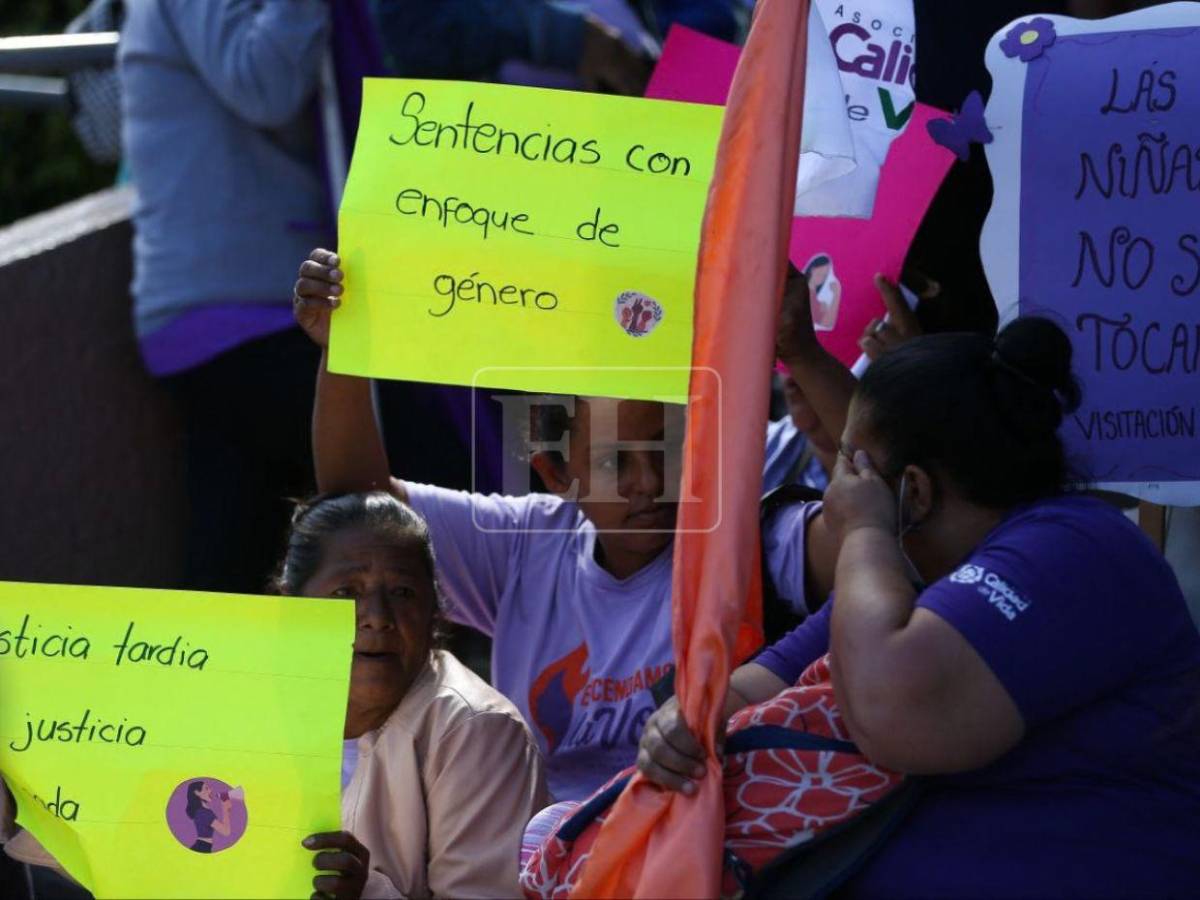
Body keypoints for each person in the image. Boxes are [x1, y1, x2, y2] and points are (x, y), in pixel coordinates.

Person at [638, 316, 1200, 896]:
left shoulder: (1077, 547)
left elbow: (894, 717)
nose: (837, 491)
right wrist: (682, 722)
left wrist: (864, 533)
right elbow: (759, 685)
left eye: (851, 467)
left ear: (914, 490)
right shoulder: (910, 570)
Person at [292, 249, 843, 802]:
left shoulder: (755, 540)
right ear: (555, 471)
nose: (647, 482)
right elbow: (362, 505)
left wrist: (802, 354)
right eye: (614, 463)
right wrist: (342, 349)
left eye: (668, 450)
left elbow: (885, 525)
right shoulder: (526, 547)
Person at [119, 0, 334, 593]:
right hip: (238, 315)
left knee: (236, 563)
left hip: (240, 313)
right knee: (414, 465)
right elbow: (263, 82)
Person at [286, 492, 548, 899]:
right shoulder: (245, 705)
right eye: (346, 592)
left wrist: (365, 894)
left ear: (435, 612)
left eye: (403, 593)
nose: (377, 616)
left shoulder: (478, 731)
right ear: (292, 608)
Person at [184, 781, 232, 853]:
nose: (210, 790)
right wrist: (225, 809)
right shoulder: (204, 813)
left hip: (203, 846)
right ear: (197, 792)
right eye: (206, 788)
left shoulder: (201, 811)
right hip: (202, 847)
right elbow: (226, 831)